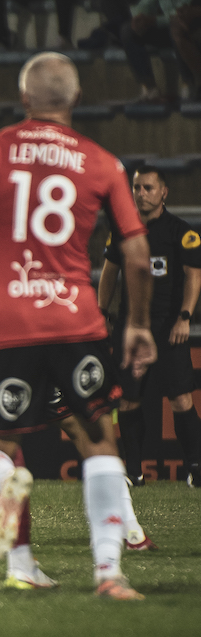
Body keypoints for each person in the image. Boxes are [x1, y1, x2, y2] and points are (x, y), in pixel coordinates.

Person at [0, 52, 157, 600]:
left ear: (24, 99)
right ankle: (109, 573)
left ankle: (6, 483)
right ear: (76, 99)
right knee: (100, 442)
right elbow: (137, 256)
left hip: (10, 323)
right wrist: (138, 323)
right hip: (77, 322)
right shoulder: (102, 163)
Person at [98, 164, 201, 487]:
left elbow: (194, 277)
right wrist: (101, 312)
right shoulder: (122, 230)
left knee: (181, 400)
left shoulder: (180, 231)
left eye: (148, 188)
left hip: (170, 330)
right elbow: (109, 273)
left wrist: (185, 317)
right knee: (129, 400)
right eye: (137, 187)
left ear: (164, 192)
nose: (141, 194)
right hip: (130, 328)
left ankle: (196, 468)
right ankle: (134, 473)